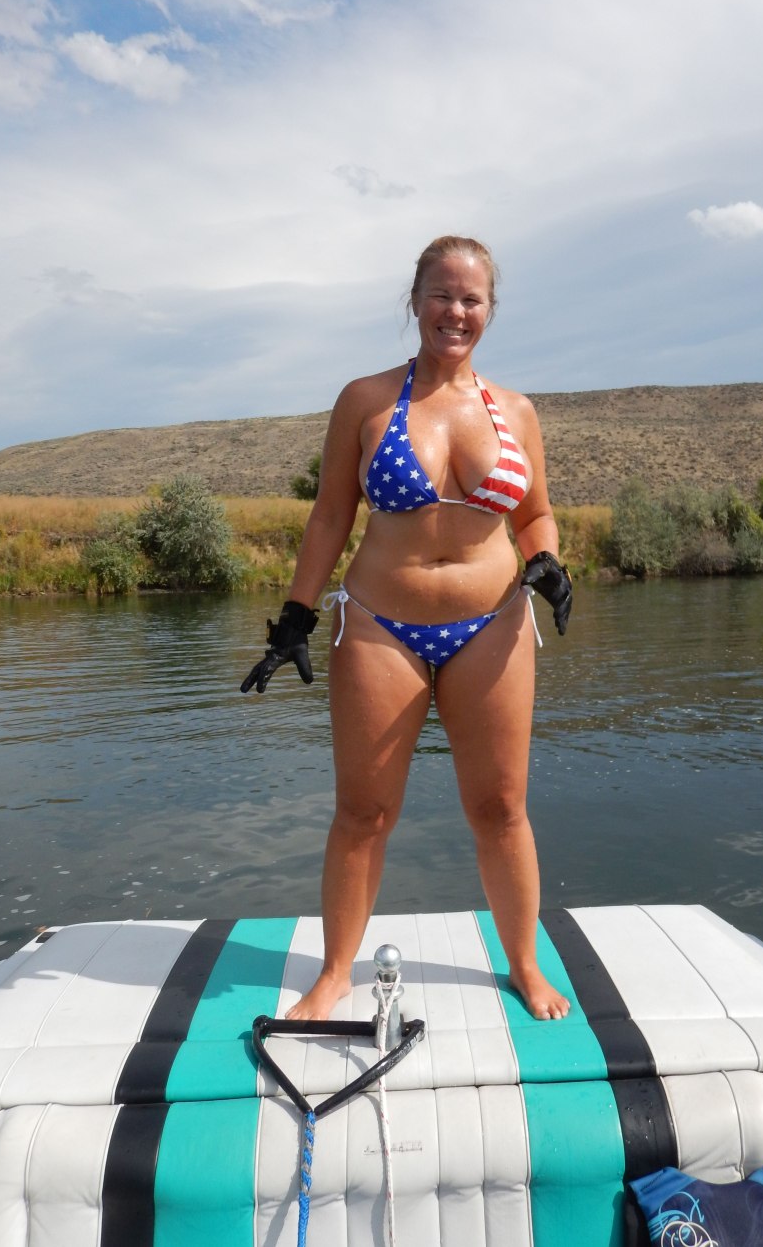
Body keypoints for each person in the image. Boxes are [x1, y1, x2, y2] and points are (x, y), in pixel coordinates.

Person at [241, 235, 573, 1020]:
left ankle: (524, 964)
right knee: (363, 812)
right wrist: (295, 613)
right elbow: (330, 514)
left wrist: (548, 558)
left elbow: (536, 512)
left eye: (472, 299)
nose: (456, 311)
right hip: (381, 627)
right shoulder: (364, 400)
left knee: (500, 808)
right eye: (442, 294)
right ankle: (334, 974)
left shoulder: (517, 411)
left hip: (492, 624)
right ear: (414, 300)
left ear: (490, 310)